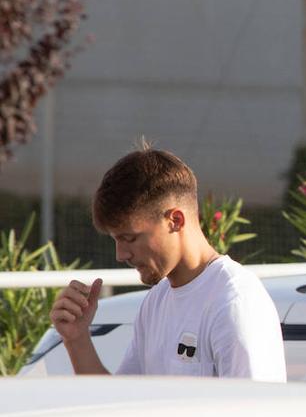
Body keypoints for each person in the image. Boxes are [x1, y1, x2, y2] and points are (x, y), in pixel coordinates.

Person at [49, 145, 286, 381]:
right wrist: (76, 338)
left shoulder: (234, 301)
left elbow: (257, 414)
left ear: (175, 220)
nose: (120, 254)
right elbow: (121, 404)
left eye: (129, 238)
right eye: (116, 240)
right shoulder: (156, 301)